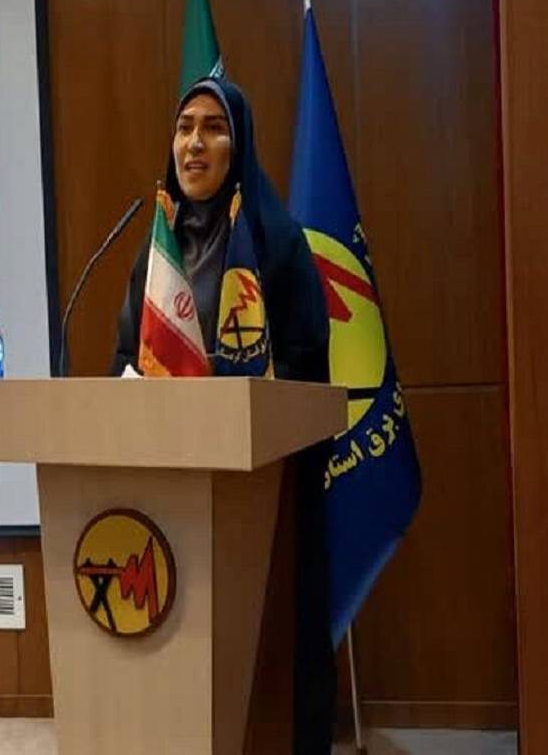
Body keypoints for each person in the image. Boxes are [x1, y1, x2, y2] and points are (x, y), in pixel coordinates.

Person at [111, 76, 336, 754]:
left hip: (260, 494)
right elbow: (126, 355)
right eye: (184, 128)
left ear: (240, 147)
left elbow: (306, 363)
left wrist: (237, 395)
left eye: (213, 128)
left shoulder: (276, 242)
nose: (193, 144)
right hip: (167, 486)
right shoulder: (157, 249)